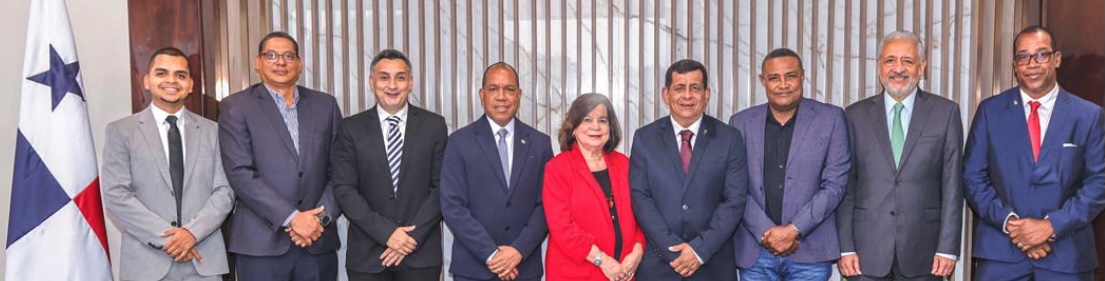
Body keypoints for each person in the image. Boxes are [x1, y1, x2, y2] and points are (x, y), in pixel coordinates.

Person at [964, 25, 1105, 280]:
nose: (1032, 64)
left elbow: (1099, 182)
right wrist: (1012, 225)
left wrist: (1051, 226)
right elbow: (973, 176)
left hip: (1067, 256)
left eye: (1041, 54)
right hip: (1001, 256)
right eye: (1023, 56)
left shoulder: (1088, 116)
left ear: (1057, 59)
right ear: (1014, 65)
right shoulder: (990, 112)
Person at [837, 31, 964, 281]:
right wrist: (846, 246)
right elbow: (846, 186)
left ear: (922, 67)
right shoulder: (854, 115)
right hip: (865, 253)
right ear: (879, 67)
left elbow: (952, 186)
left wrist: (948, 249)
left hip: (925, 253)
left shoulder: (946, 113)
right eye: (890, 60)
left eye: (907, 61)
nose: (898, 69)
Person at [218, 31, 343, 280]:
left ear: (299, 64)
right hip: (261, 245)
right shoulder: (236, 106)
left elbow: (341, 169)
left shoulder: (325, 105)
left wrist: (319, 219)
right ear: (258, 62)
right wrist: (292, 218)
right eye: (271, 55)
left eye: (288, 56)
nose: (280, 62)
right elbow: (240, 173)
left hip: (317, 243)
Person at [102, 47, 234, 281]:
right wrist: (171, 239)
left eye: (180, 75)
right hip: (146, 264)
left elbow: (224, 192)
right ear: (147, 81)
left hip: (203, 262)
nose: (171, 80)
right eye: (161, 73)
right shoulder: (121, 131)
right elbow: (116, 195)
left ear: (191, 85)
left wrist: (192, 233)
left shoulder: (213, 131)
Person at [728, 48, 850, 280]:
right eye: (774, 78)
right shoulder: (740, 123)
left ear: (802, 76)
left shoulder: (831, 119)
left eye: (790, 76)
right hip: (756, 250)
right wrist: (767, 233)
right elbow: (734, 187)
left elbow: (835, 184)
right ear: (763, 81)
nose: (783, 84)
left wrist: (794, 230)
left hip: (810, 250)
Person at [331, 49, 448, 281]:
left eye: (400, 77)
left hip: (420, 254)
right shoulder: (350, 129)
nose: (392, 85)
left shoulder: (434, 126)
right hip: (368, 257)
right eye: (384, 77)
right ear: (371, 82)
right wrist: (387, 234)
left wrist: (410, 238)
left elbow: (442, 188)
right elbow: (344, 190)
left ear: (410, 82)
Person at [630, 59, 747, 280]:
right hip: (660, 264)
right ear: (666, 94)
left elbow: (735, 200)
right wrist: (672, 249)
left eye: (695, 88)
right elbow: (640, 197)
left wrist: (699, 251)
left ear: (707, 94)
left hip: (712, 264)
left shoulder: (729, 138)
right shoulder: (645, 138)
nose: (687, 96)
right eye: (679, 88)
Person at [440, 62, 554, 281]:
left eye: (509, 89)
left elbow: (547, 205)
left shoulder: (540, 144)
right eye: (493, 89)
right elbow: (452, 206)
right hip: (473, 270)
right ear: (482, 95)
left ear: (519, 95)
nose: (501, 96)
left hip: (523, 268)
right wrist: (493, 255)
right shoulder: (459, 142)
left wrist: (518, 251)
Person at [544, 93, 645, 281]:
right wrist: (603, 261)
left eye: (602, 120)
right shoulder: (557, 169)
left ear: (610, 127)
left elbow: (642, 214)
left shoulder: (625, 164)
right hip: (576, 274)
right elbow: (562, 229)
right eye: (587, 120)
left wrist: (638, 251)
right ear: (573, 128)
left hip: (623, 273)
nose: (595, 127)